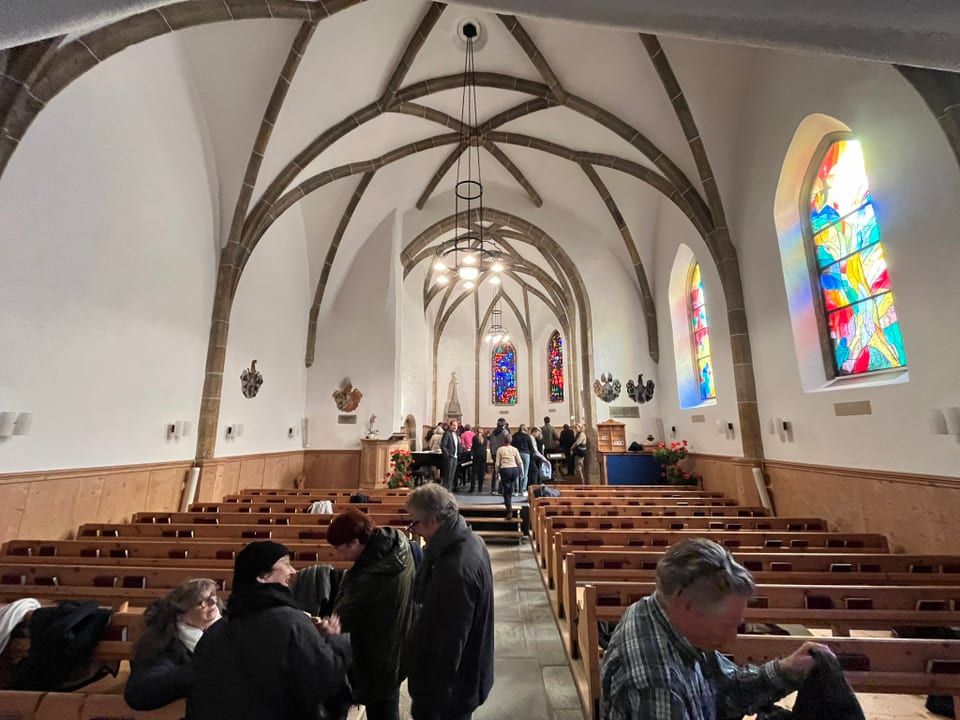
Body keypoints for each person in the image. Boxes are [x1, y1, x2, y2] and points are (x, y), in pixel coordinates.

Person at [600, 538, 831, 720]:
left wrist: (788, 669)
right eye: (727, 626)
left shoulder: (654, 610)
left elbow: (726, 687)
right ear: (687, 606)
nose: (731, 639)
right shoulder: (657, 686)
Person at [187, 541, 352, 720]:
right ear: (262, 576)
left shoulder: (216, 630)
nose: (293, 571)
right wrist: (335, 641)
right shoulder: (292, 622)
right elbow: (325, 683)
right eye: (286, 564)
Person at [403, 486, 494, 720]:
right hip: (463, 679)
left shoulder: (455, 569)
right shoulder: (470, 541)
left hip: (451, 689)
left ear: (432, 520)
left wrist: (433, 698)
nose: (414, 530)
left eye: (415, 524)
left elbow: (452, 641)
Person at [326, 510, 414, 720]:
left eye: (340, 549)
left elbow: (341, 619)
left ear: (355, 542)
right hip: (401, 638)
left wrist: (331, 623)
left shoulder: (371, 578)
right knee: (387, 700)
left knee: (382, 709)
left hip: (379, 653)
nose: (340, 555)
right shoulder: (397, 543)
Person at [124, 578, 223, 710]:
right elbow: (139, 691)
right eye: (202, 602)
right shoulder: (165, 643)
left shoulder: (229, 624)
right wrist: (204, 672)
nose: (213, 602)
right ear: (181, 616)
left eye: (213, 596)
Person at [494, 435, 524, 518]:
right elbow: (520, 462)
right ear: (511, 441)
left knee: (507, 490)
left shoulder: (500, 449)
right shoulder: (515, 449)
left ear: (504, 441)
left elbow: (497, 464)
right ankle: (513, 495)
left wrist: (497, 472)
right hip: (514, 470)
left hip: (505, 470)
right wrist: (522, 471)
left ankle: (509, 510)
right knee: (510, 488)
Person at [487, 419, 510, 493]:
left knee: (495, 470)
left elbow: (490, 442)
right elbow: (508, 441)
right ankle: (501, 489)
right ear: (504, 424)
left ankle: (493, 489)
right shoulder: (504, 432)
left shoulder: (493, 432)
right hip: (502, 452)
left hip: (494, 453)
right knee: (503, 470)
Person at [511, 424, 534, 496]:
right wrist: (531, 453)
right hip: (526, 454)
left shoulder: (514, 435)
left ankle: (516, 491)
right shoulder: (527, 436)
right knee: (525, 472)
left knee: (517, 472)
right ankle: (523, 490)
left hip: (517, 453)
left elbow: (512, 444)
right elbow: (531, 447)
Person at [440, 419, 462, 490]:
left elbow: (457, 446)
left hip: (455, 458)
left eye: (456, 425)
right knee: (447, 476)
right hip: (450, 458)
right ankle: (445, 492)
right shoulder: (447, 434)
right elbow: (443, 446)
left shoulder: (456, 435)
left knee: (452, 476)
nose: (455, 427)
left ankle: (449, 491)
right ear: (450, 426)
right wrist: (448, 456)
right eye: (453, 425)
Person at [469, 428, 488, 493]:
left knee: (474, 472)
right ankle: (480, 488)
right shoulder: (485, 438)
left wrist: (471, 454)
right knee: (481, 472)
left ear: (476, 432)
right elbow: (485, 446)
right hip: (483, 455)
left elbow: (473, 447)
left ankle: (472, 488)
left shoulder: (475, 438)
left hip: (476, 454)